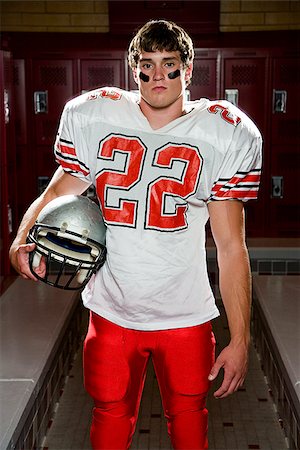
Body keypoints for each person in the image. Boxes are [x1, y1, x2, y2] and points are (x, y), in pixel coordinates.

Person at [9, 19, 262, 450]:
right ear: (133, 69)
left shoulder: (221, 132)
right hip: (112, 309)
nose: (158, 75)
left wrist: (241, 338)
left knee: (188, 423)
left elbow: (231, 247)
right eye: (147, 65)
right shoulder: (99, 115)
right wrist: (21, 238)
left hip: (184, 314)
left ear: (188, 69)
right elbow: (57, 190)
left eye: (169, 64)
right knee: (109, 418)